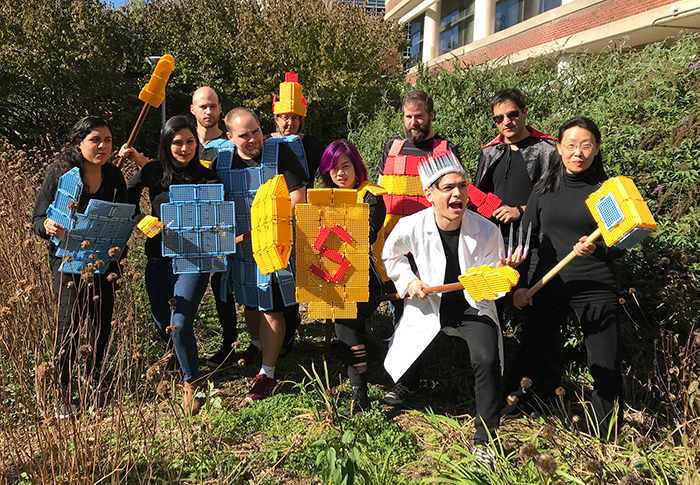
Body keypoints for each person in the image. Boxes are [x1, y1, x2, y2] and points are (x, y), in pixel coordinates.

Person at [381, 152, 506, 465]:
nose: (458, 194)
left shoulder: (487, 230)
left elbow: (496, 282)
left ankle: (486, 440)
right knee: (411, 344)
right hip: (430, 305)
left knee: (485, 358)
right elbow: (390, 256)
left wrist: (500, 275)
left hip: (472, 308)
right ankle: (407, 385)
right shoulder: (412, 225)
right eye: (448, 187)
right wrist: (409, 281)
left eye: (462, 187)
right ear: (429, 194)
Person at [509, 116, 624, 438]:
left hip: (595, 286)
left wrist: (597, 247)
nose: (578, 152)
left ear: (597, 148)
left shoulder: (606, 192)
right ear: (558, 148)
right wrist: (522, 285)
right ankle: (532, 410)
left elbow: (620, 247)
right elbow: (526, 241)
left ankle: (606, 433)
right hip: (548, 285)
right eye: (571, 145)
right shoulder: (544, 189)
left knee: (604, 363)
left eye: (586, 145)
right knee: (536, 350)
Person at [121, 115, 220, 414]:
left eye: (190, 142)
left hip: (194, 259)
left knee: (179, 324)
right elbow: (125, 196)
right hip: (158, 257)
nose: (184, 148)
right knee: (162, 321)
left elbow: (218, 214)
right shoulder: (151, 171)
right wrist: (140, 218)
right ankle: (177, 357)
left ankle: (191, 382)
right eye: (177, 142)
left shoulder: (207, 176)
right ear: (167, 144)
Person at [32, 116, 126, 418]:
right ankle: (60, 392)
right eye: (95, 140)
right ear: (78, 143)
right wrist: (47, 226)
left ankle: (91, 377)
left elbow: (123, 212)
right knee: (68, 326)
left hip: (104, 261)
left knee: (101, 321)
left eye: (108, 140)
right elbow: (37, 219)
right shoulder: (61, 174)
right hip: (68, 262)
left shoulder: (114, 176)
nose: (102, 146)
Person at [378, 89, 463, 401]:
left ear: (430, 116)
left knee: (418, 315)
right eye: (408, 117)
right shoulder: (392, 147)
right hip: (393, 245)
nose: (414, 122)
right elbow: (379, 193)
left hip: (428, 247)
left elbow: (455, 197)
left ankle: (408, 382)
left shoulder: (444, 149)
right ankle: (402, 371)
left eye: (419, 116)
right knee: (398, 310)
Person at [222, 107, 309, 401]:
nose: (252, 139)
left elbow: (298, 197)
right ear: (230, 137)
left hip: (274, 243)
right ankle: (257, 344)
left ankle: (267, 374)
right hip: (240, 247)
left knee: (271, 307)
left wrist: (269, 225)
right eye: (244, 135)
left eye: (256, 131)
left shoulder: (281, 153)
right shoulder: (222, 160)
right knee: (248, 300)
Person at [318, 140, 386, 416]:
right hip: (334, 273)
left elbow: (364, 236)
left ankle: (360, 395)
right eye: (333, 169)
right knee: (344, 324)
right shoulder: (322, 199)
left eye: (345, 166)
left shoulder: (372, 196)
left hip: (369, 274)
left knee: (346, 323)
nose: (340, 173)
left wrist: (331, 231)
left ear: (357, 166)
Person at [269, 72, 326, 354]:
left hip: (305, 218)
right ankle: (283, 334)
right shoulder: (266, 145)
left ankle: (296, 329)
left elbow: (332, 169)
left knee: (300, 274)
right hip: (272, 219)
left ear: (301, 119)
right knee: (279, 276)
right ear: (276, 118)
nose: (289, 122)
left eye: (294, 117)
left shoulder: (312, 144)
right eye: (284, 117)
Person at [189, 86, 239, 368]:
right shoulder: (183, 142)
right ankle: (181, 344)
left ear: (220, 109)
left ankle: (230, 342)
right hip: (190, 226)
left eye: (213, 106)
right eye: (203, 106)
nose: (208, 112)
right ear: (193, 109)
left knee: (224, 285)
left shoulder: (230, 144)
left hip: (224, 223)